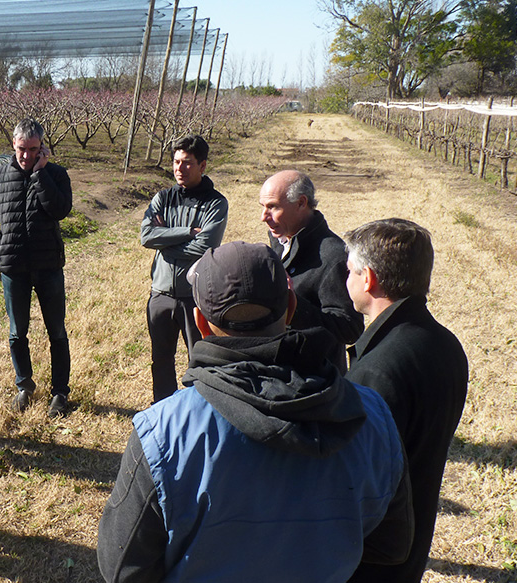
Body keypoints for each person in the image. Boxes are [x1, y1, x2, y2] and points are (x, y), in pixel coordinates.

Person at [97, 241, 413, 583]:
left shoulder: (163, 432)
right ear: (291, 308)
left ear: (200, 323)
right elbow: (393, 546)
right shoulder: (372, 414)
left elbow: (122, 569)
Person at [344, 218, 469, 583]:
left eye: (349, 270)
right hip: (414, 541)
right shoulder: (446, 344)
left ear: (368, 279)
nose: (345, 278)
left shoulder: (377, 372)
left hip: (373, 559)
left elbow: (357, 483)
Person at [0, 118, 74, 417]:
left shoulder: (56, 174)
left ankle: (60, 392)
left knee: (56, 330)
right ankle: (24, 385)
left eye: (34, 149)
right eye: (21, 149)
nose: (26, 156)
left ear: (42, 147)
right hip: (13, 267)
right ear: (13, 145)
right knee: (17, 332)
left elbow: (60, 209)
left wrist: (40, 174)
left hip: (48, 266)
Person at [141, 134, 228, 402]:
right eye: (176, 162)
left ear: (202, 166)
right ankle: (164, 410)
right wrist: (188, 232)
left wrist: (165, 241)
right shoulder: (163, 198)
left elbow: (204, 248)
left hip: (196, 296)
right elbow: (146, 236)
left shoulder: (216, 203)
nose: (180, 168)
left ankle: (199, 409)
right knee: (161, 360)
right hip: (161, 295)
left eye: (187, 163)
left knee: (200, 359)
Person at [259, 169, 362, 371]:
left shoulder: (333, 256)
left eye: (273, 207)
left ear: (301, 203)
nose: (264, 217)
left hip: (317, 380)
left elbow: (350, 328)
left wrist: (294, 306)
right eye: (262, 207)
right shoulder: (280, 238)